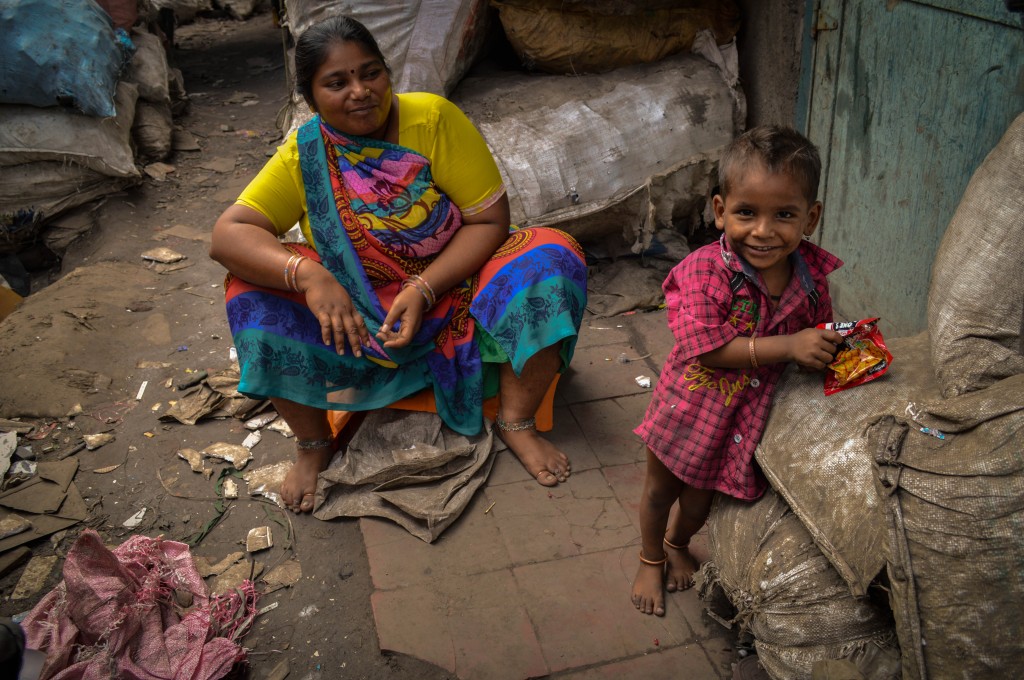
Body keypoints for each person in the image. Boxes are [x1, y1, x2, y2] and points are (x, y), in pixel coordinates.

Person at [209, 16, 587, 513]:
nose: (361, 91)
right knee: (247, 291)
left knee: (552, 255)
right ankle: (313, 443)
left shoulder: (431, 119)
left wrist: (423, 288)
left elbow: (489, 221)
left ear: (389, 74)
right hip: (360, 314)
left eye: (371, 74)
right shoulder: (304, 157)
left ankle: (516, 420)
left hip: (458, 288)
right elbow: (227, 235)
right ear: (310, 97)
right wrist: (312, 276)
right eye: (337, 83)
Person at [630, 126, 844, 616]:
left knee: (701, 505)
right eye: (747, 213)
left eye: (784, 215)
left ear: (810, 218)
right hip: (688, 408)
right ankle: (649, 555)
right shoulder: (704, 271)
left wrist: (835, 348)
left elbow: (817, 328)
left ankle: (679, 544)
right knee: (661, 490)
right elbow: (707, 350)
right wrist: (791, 345)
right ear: (721, 210)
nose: (764, 231)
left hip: (741, 420)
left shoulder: (810, 278)